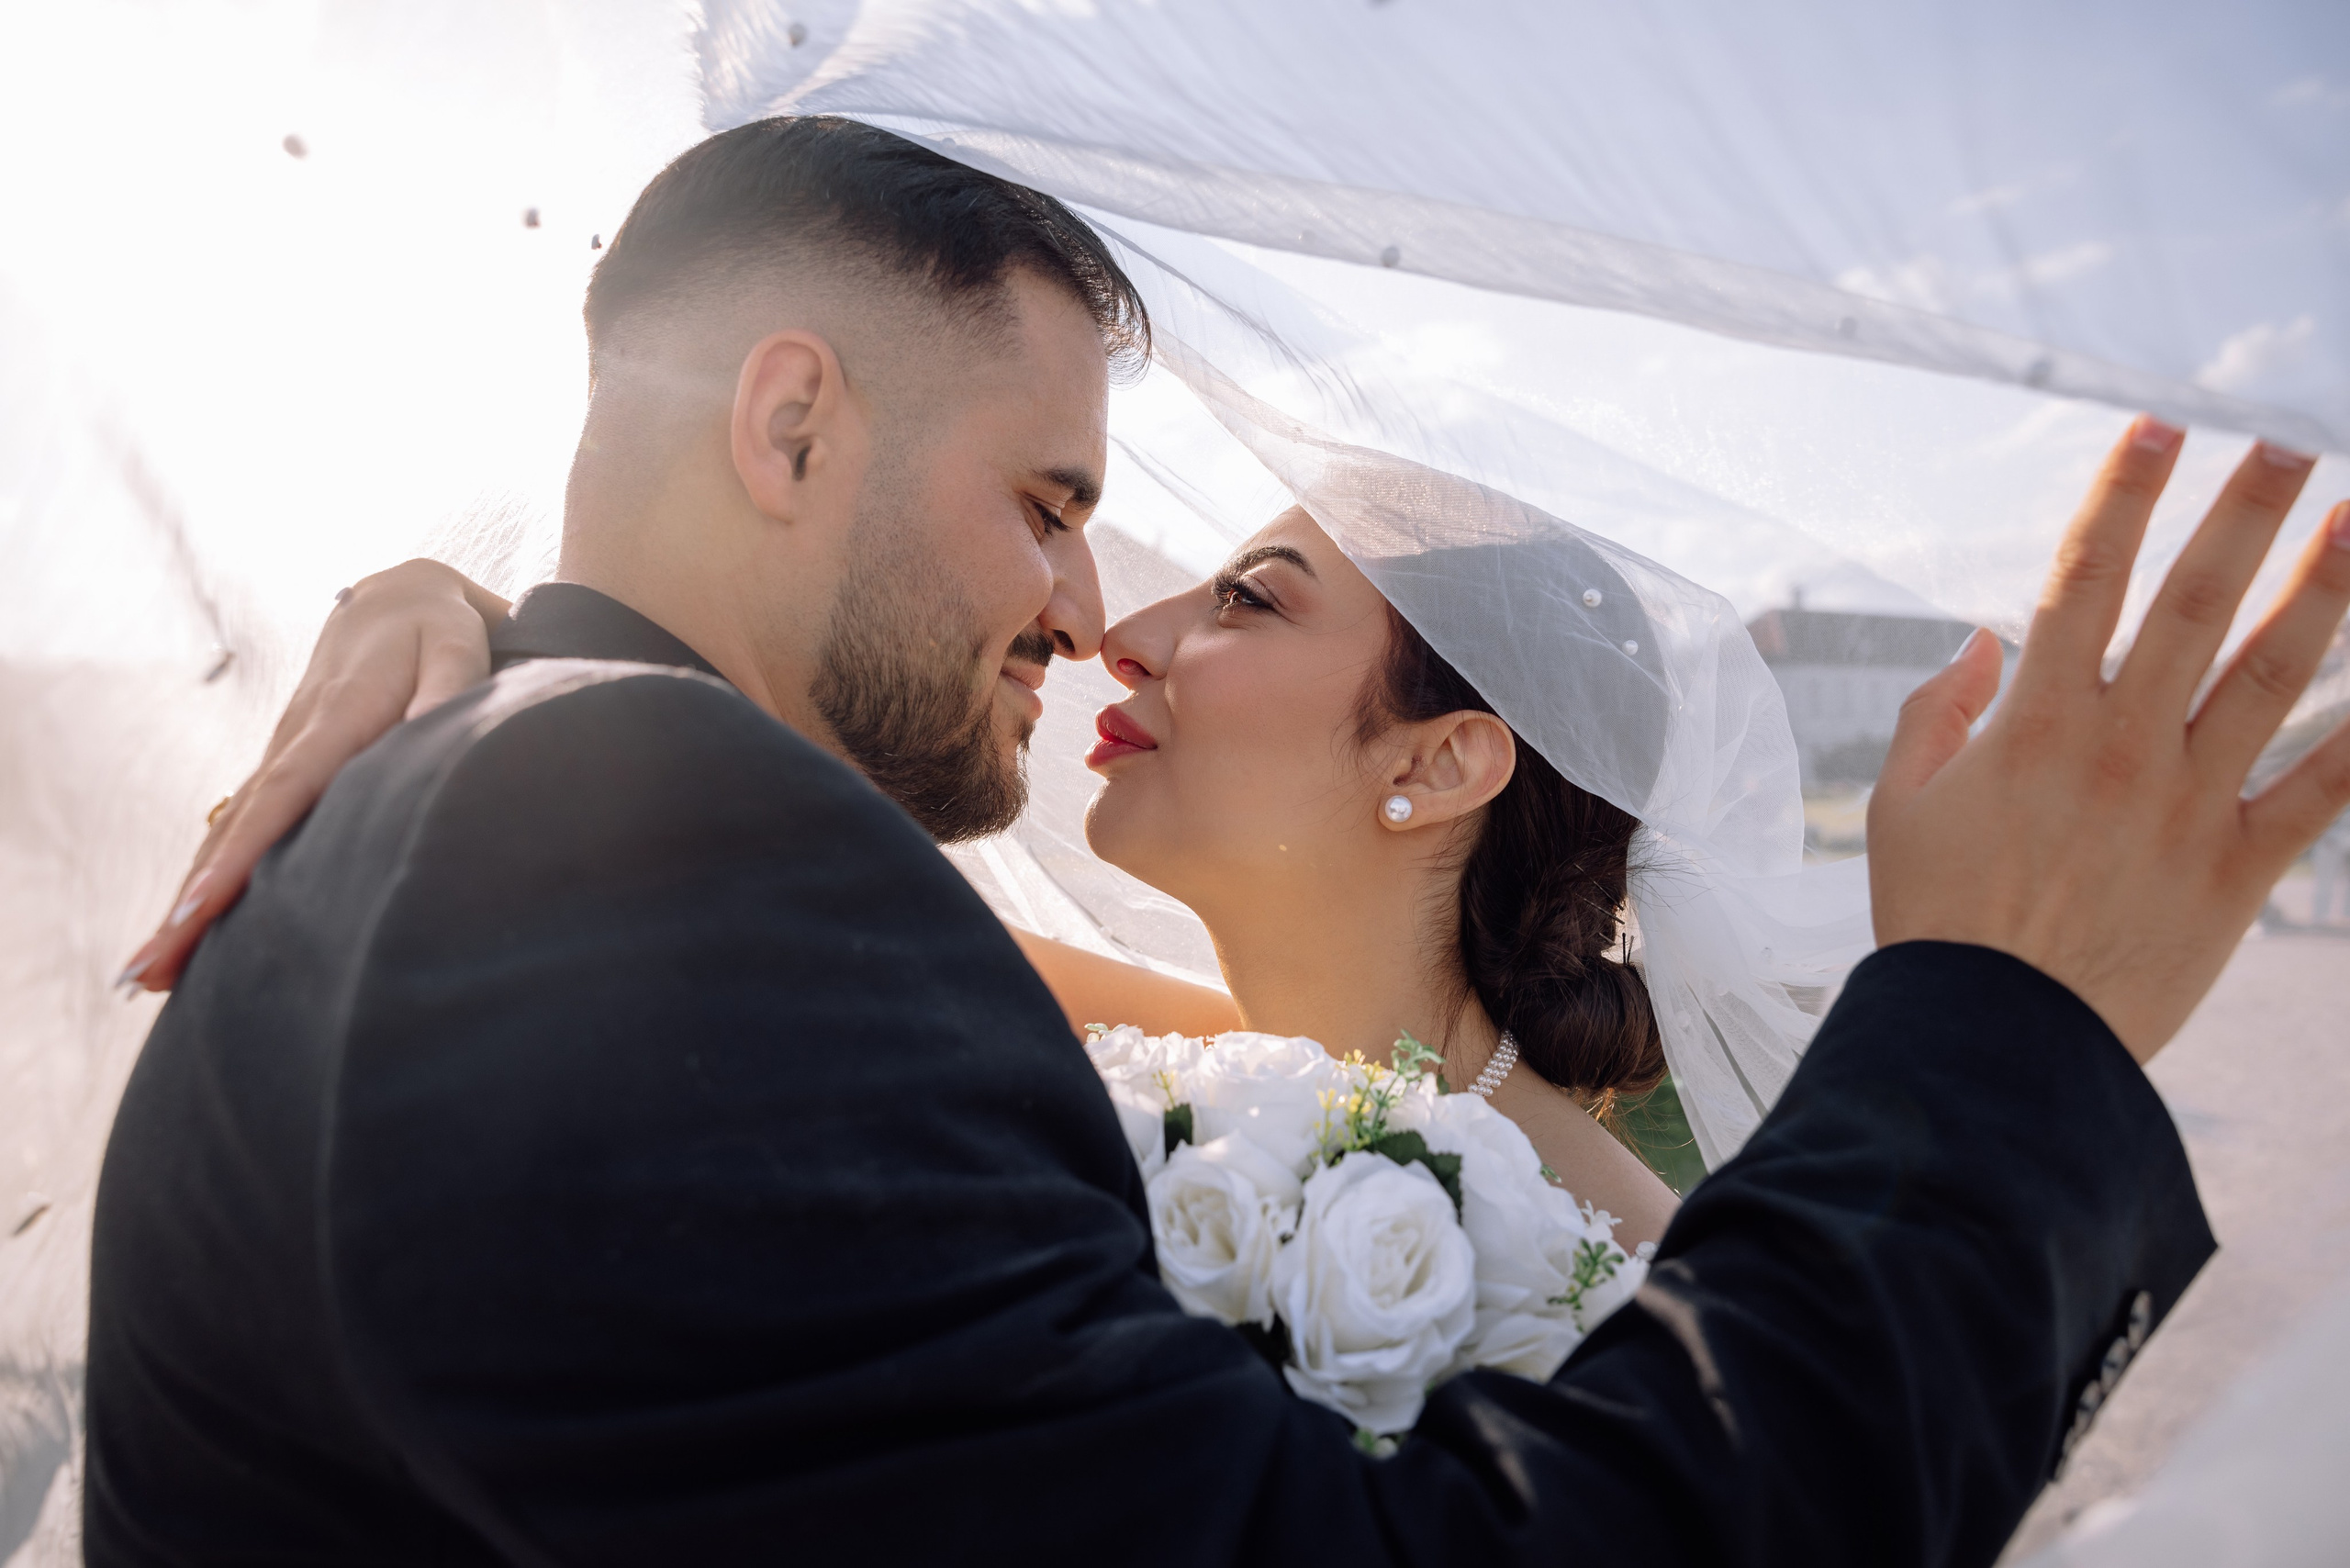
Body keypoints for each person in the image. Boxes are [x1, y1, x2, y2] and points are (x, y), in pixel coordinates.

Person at [87, 115, 2350, 1565]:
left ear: (1450, 764)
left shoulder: (550, 809)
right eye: (1047, 500)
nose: (1095, 608)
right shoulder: (632, 851)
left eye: (1213, 579)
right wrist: (2000, 1026)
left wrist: (494, 629)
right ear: (785, 426)